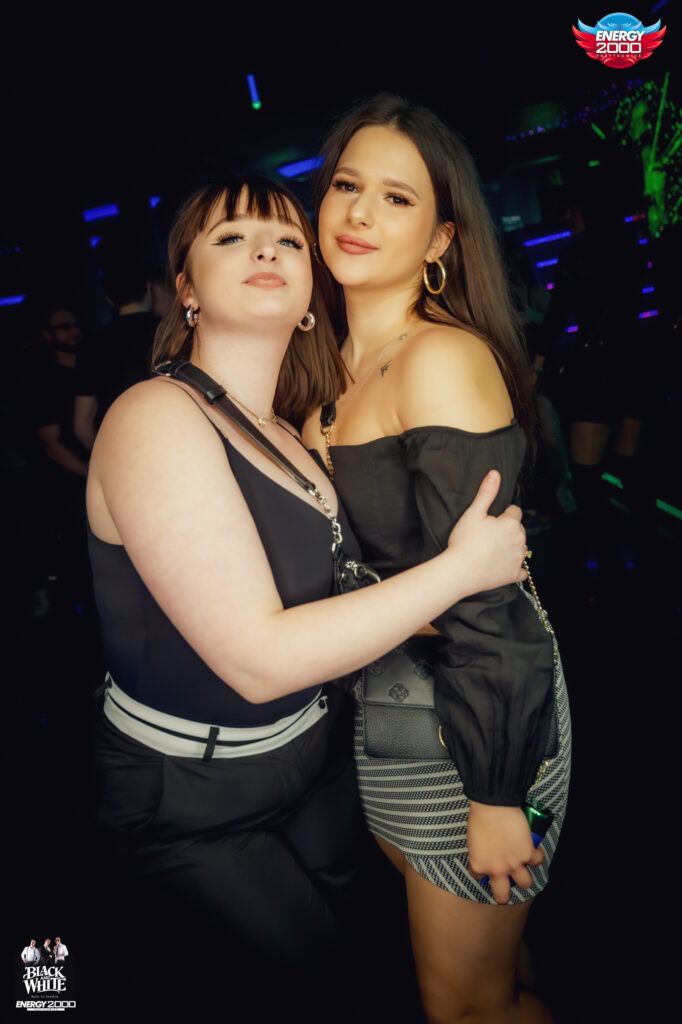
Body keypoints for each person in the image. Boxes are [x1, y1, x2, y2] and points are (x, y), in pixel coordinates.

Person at [89, 174, 528, 993]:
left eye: (288, 240)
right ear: (187, 290)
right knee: (313, 983)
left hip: (316, 758)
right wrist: (461, 571)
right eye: (231, 238)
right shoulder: (153, 415)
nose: (265, 250)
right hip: (192, 798)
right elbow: (258, 660)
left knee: (375, 962)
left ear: (307, 299)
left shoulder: (292, 434)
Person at [302, 94, 571, 1024]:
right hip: (387, 717)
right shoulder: (322, 376)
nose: (360, 214)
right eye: (347, 186)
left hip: (478, 726)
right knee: (492, 981)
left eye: (397, 198)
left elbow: (492, 603)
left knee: (464, 1007)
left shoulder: (440, 360)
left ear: (442, 238)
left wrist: (497, 794)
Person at [74, 241, 158, 450]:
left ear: (109, 300)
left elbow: (82, 426)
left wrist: (111, 459)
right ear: (149, 289)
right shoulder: (174, 332)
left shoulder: (92, 345)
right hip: (181, 441)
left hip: (125, 447)